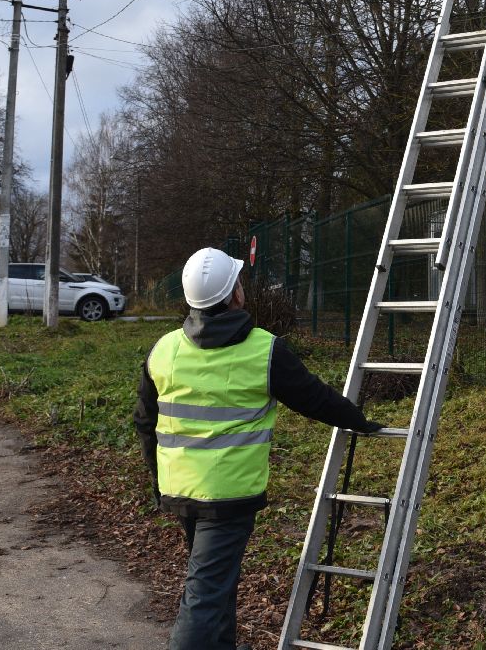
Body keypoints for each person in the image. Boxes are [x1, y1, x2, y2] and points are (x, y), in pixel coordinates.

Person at [134, 247, 384, 650]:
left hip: (179, 490)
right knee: (205, 594)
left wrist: (158, 481)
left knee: (215, 581)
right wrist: (360, 420)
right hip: (227, 495)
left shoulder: (163, 349)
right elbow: (313, 398)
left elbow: (145, 422)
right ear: (235, 294)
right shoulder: (264, 350)